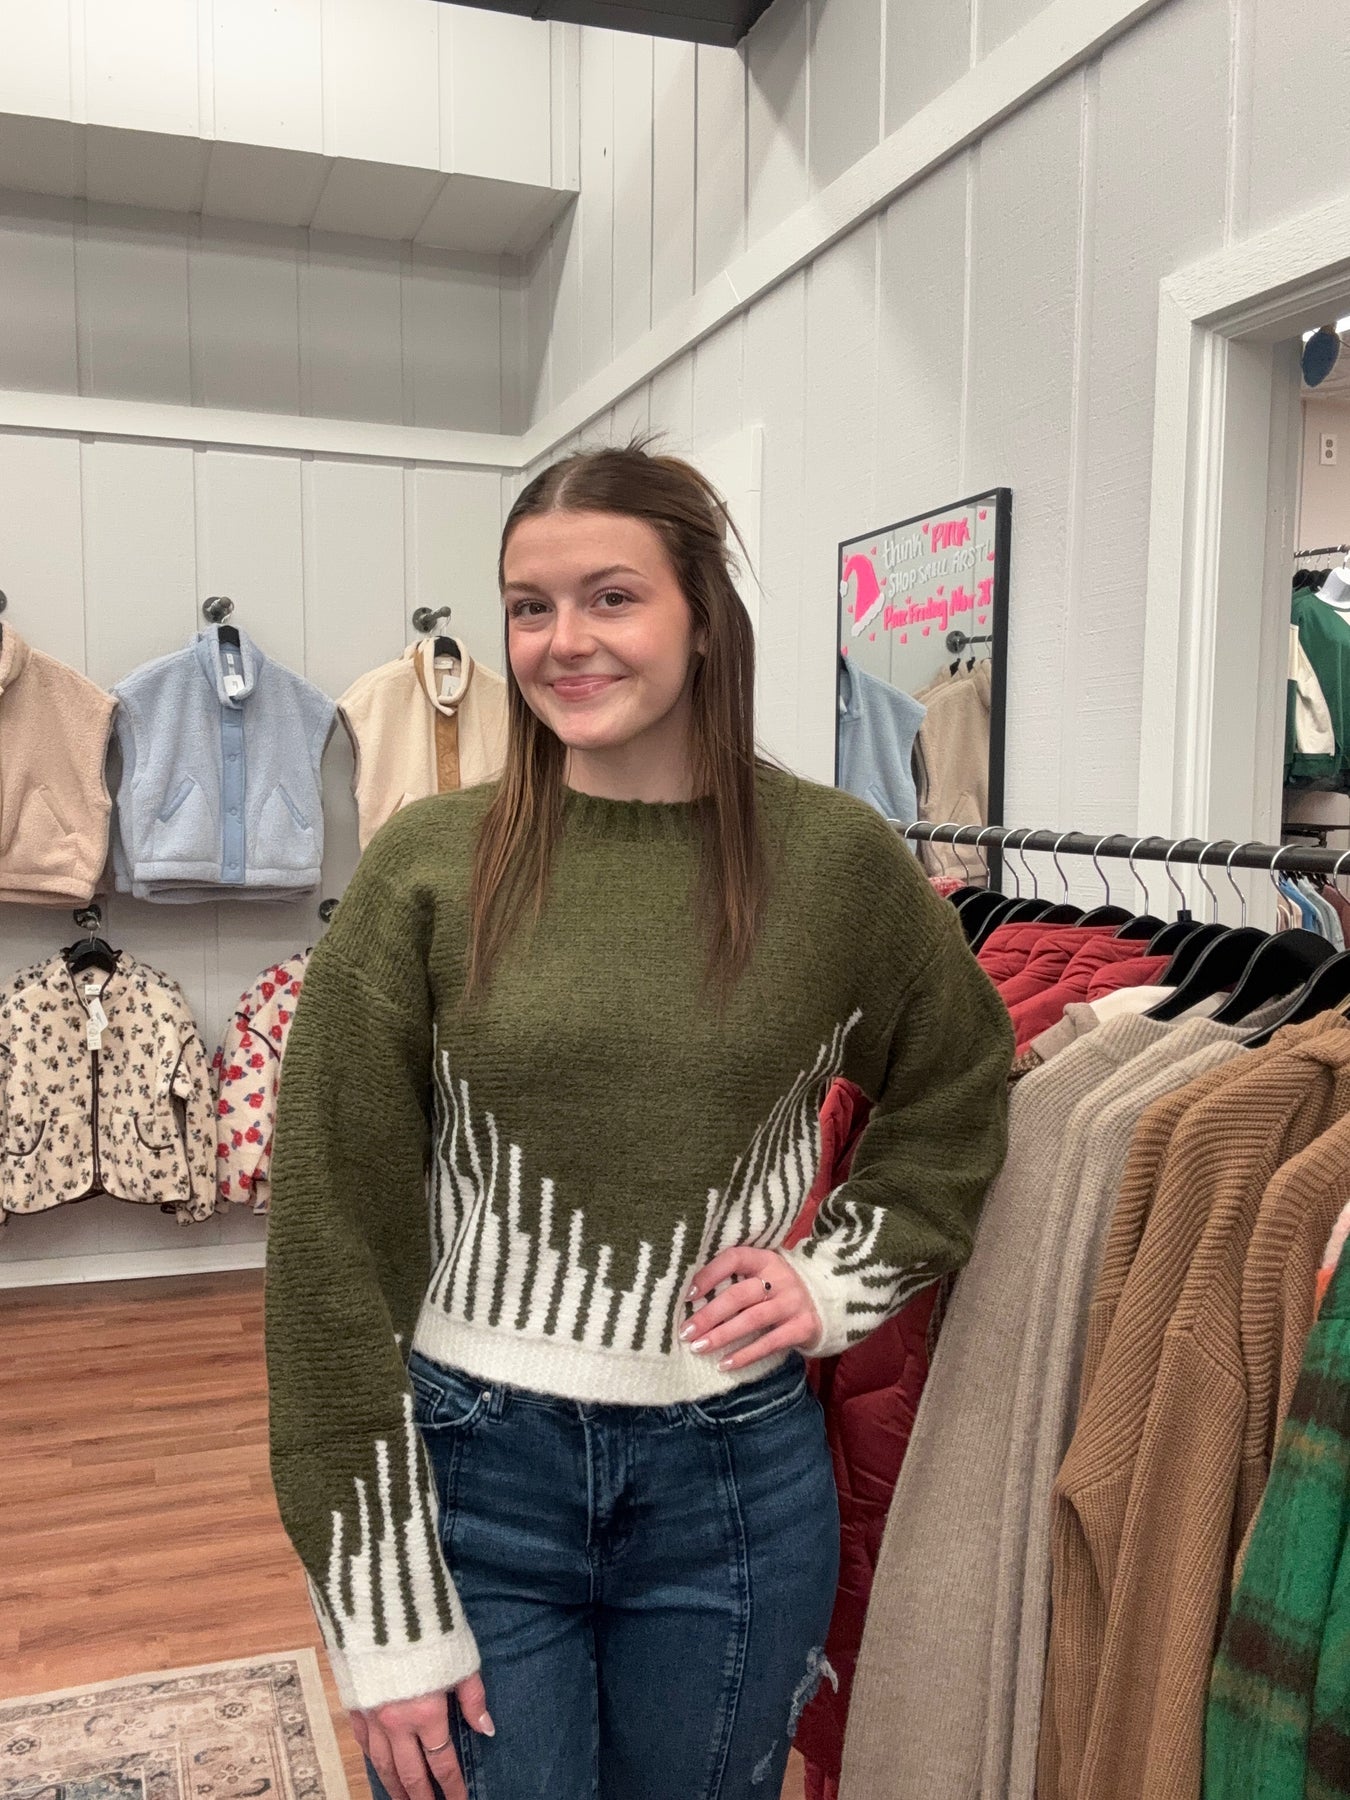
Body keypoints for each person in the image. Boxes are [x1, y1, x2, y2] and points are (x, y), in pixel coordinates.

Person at [264, 442, 1014, 1800]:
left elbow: (957, 1080)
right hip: (473, 1476)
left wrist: (835, 1277)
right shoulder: (428, 867)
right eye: (529, 606)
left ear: (701, 617)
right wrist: (378, 1608)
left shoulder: (833, 862)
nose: (563, 641)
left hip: (734, 1481)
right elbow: (331, 1234)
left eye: (610, 597)